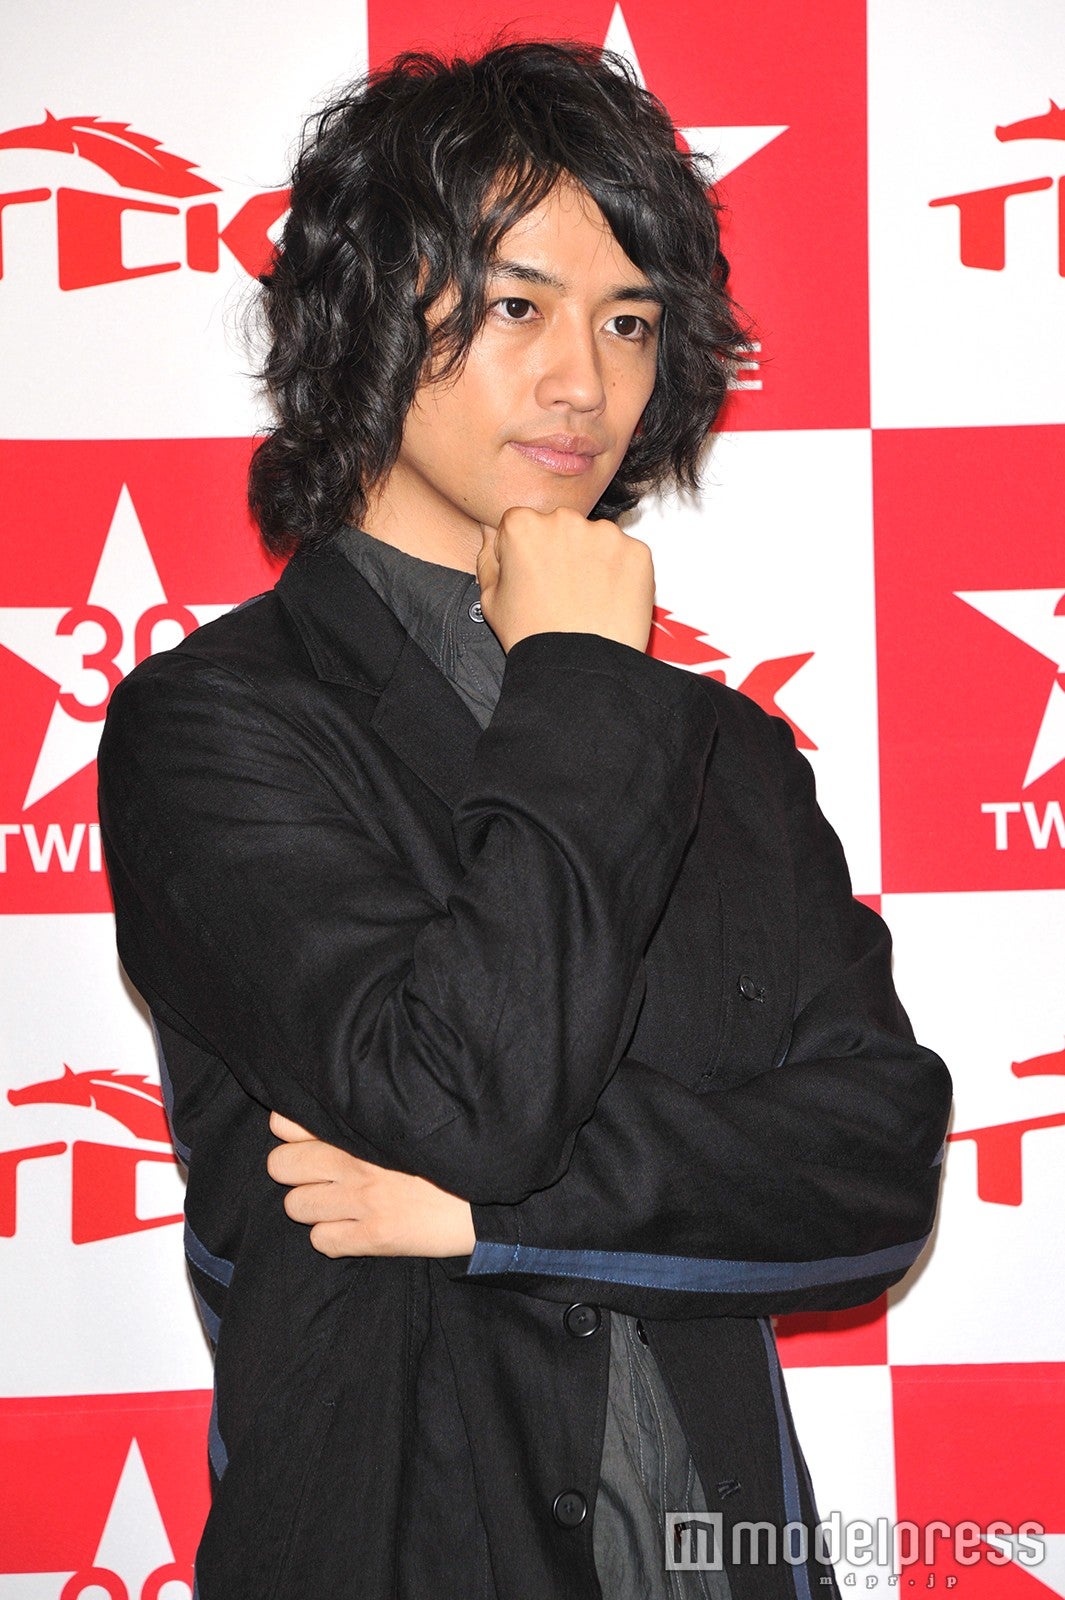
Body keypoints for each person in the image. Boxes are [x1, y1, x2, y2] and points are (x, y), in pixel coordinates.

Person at [97, 39, 952, 1600]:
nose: (584, 382)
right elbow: (461, 1095)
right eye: (516, 307)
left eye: (629, 320)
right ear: (371, 308)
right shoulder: (216, 722)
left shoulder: (726, 751)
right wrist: (576, 673)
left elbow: (874, 1177)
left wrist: (481, 1217)